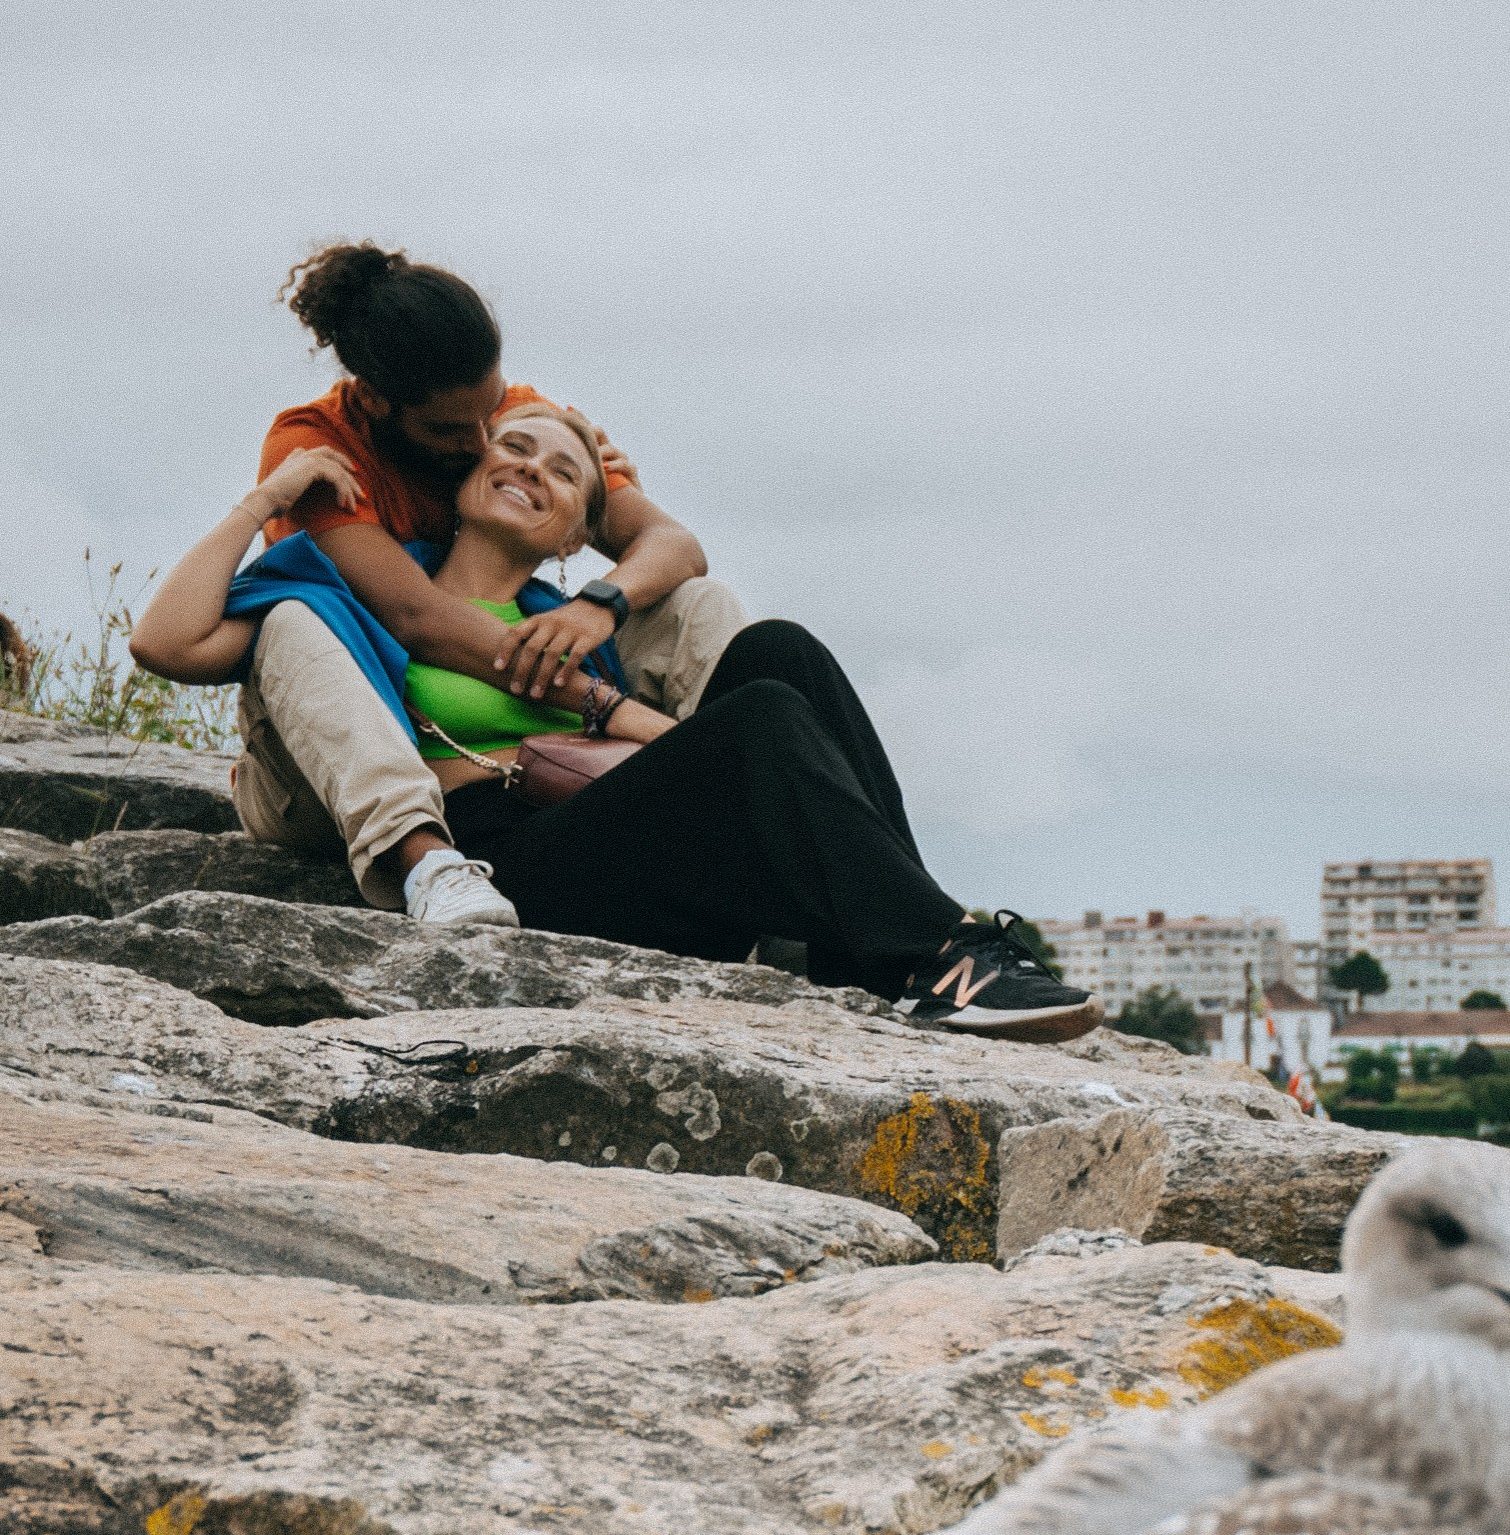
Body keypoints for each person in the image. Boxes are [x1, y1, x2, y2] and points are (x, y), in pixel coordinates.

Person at [130, 411, 1102, 1038]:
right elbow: (166, 640)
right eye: (513, 447)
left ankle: (908, 958)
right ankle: (940, 954)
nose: (530, 467)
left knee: (782, 656)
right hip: (502, 856)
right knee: (762, 714)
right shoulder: (366, 596)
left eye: (562, 470)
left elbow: (694, 715)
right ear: (468, 470)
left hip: (609, 839)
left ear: (574, 532)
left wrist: (598, 691)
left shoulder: (589, 636)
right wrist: (267, 497)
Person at [227, 241, 748, 925]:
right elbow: (414, 618)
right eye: (450, 427)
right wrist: (619, 713)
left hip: (498, 755)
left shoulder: (519, 426)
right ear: (379, 401)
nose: (482, 441)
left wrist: (601, 603)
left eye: (492, 409)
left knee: (698, 608)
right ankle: (427, 865)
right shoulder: (317, 443)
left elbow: (673, 544)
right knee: (291, 619)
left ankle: (762, 828)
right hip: (344, 761)